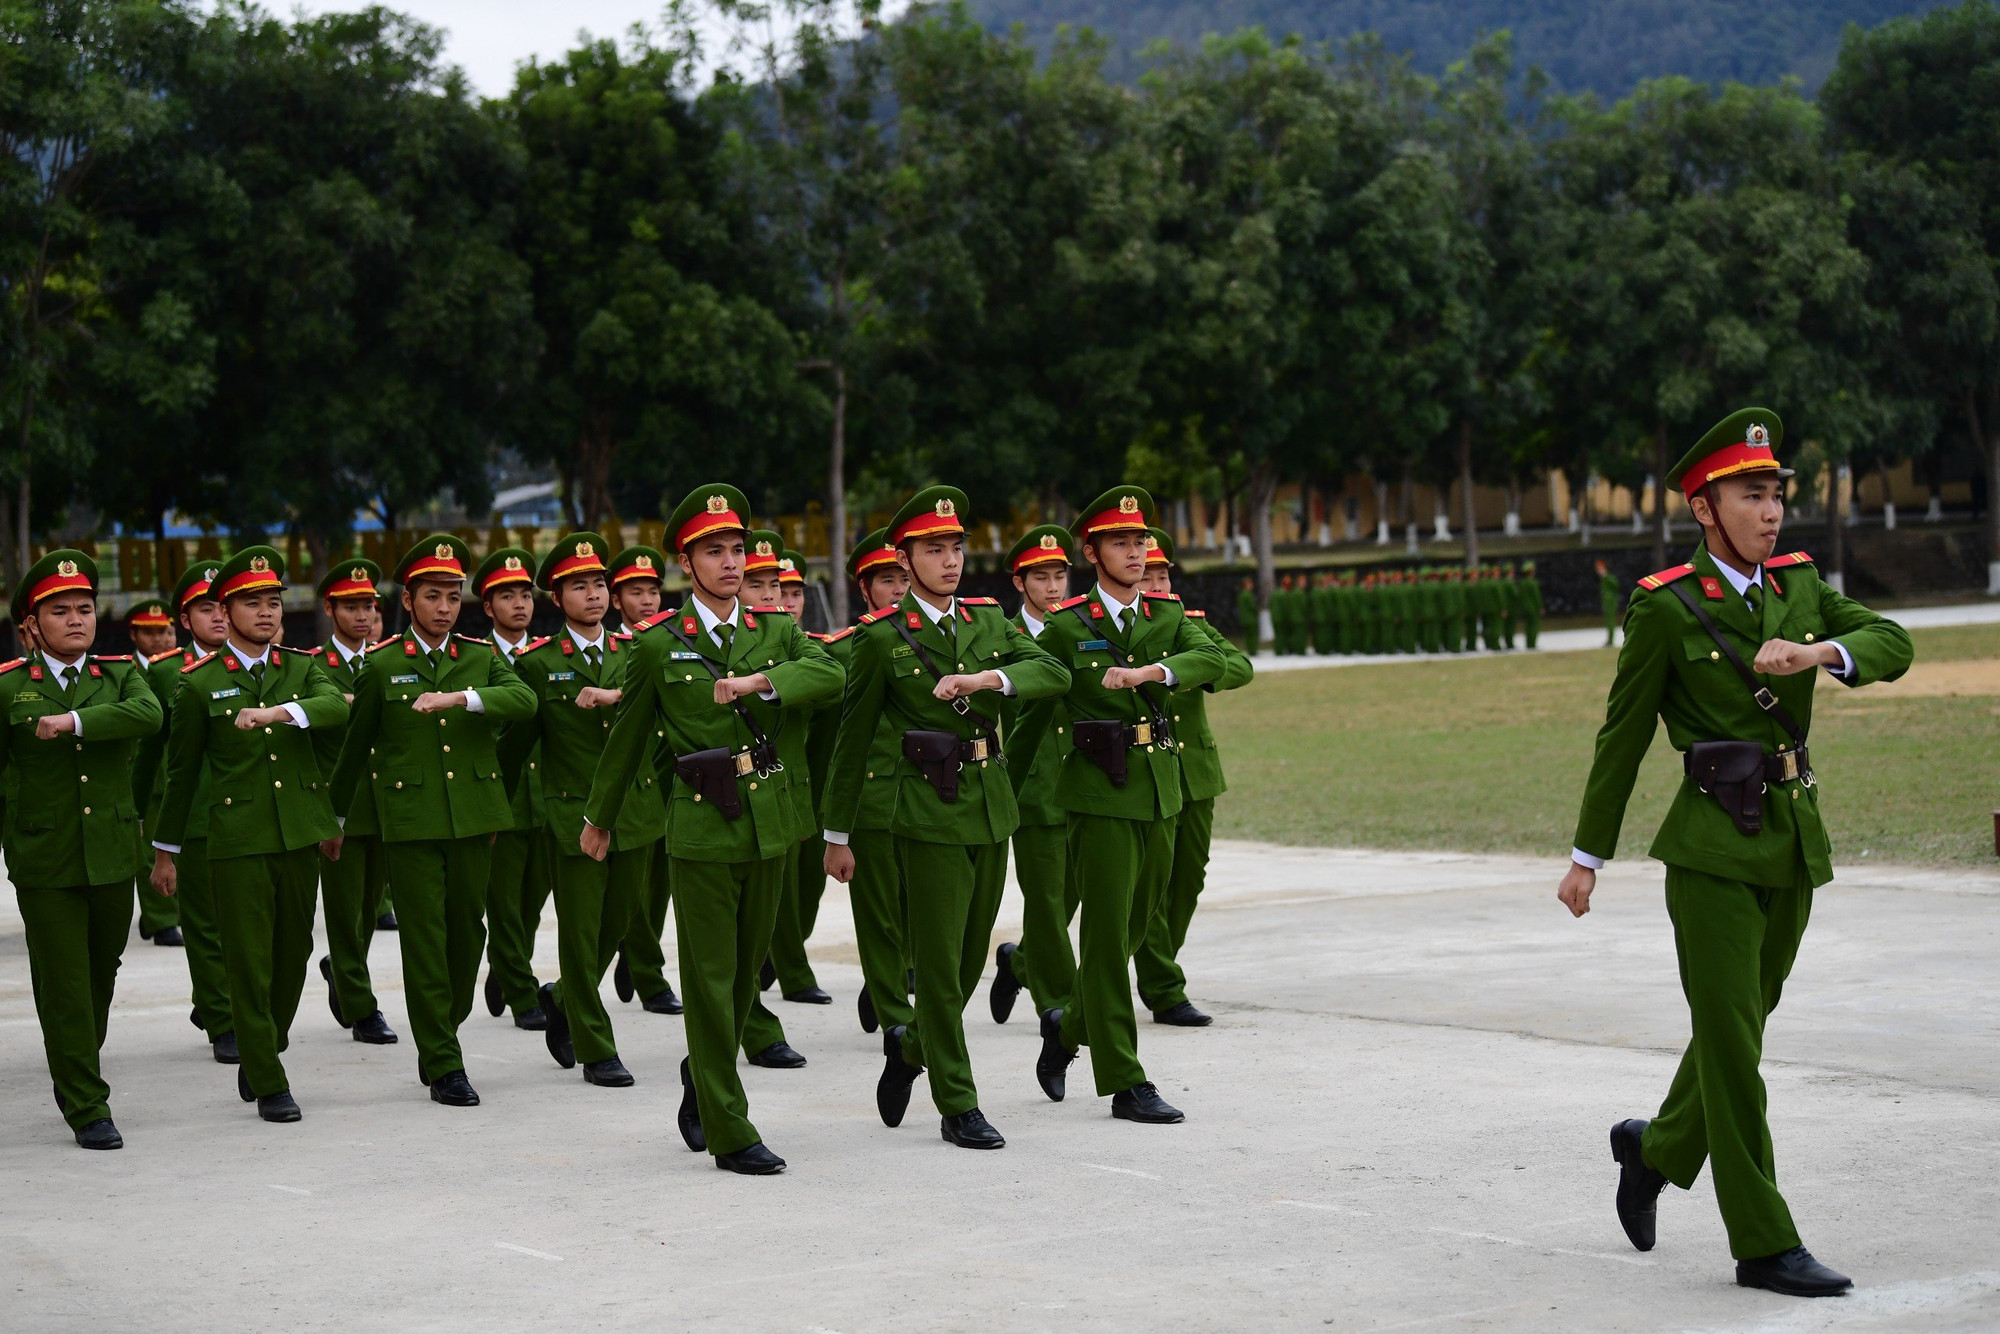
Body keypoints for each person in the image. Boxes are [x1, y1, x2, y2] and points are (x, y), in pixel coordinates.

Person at [1557, 407, 1913, 1298]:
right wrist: (1586, 858)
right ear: (1705, 508)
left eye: (1776, 494)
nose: (1772, 511)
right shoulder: (1667, 605)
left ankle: (1655, 1147)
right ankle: (1763, 1242)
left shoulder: (1799, 584)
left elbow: (1892, 643)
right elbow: (1622, 736)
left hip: (1793, 840)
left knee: (1736, 1034)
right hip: (1712, 846)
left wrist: (1820, 652)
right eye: (1751, 495)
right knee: (1735, 1052)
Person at [581, 484, 840, 1175]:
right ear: (685, 563)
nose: (731, 564)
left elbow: (829, 673)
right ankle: (731, 1129)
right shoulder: (657, 645)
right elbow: (628, 738)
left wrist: (760, 685)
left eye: (736, 550)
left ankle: (703, 1071)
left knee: (742, 978)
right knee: (709, 976)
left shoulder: (774, 630)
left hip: (771, 823)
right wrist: (599, 819)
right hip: (699, 825)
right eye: (714, 552)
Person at [822, 488, 1065, 1149]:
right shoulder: (880, 639)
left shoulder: (988, 623)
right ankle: (958, 1102)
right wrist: (838, 836)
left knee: (962, 966)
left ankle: (909, 1050)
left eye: (956, 547)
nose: (950, 560)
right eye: (934, 549)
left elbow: (1053, 675)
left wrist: (989, 682)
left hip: (990, 805)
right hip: (924, 808)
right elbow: (851, 741)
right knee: (935, 963)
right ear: (905, 559)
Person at [1017, 485, 1226, 1124]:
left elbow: (1222, 660)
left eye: (1140, 541)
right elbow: (1030, 714)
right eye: (1120, 542)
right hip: (1098, 794)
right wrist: (1004, 786)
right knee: (1107, 938)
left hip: (1162, 791)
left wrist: (1157, 674)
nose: (1135, 552)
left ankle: (1068, 1029)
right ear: (1093, 551)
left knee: (1138, 926)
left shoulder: (1169, 617)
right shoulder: (1066, 626)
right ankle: (1125, 1081)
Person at [325, 535, 537, 1108]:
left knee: (469, 936)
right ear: (409, 600)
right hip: (412, 821)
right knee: (425, 941)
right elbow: (355, 747)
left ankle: (443, 1023)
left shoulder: (481, 658)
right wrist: (335, 817)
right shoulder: (382, 664)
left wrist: (462, 699)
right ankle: (443, 1059)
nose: (444, 607)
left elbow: (525, 703)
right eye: (432, 596)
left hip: (475, 816)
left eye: (452, 596)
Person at [150, 547, 349, 1123]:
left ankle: (265, 1046)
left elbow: (335, 708)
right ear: (224, 610)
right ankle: (269, 1078)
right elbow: (181, 776)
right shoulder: (197, 683)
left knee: (294, 955)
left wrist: (278, 713)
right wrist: (165, 853)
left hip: (299, 833)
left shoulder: (301, 667)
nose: (264, 612)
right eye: (249, 603)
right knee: (248, 961)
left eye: (272, 602)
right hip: (236, 837)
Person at [4, 550, 162, 1149]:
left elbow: (148, 716)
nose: (76, 620)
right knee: (67, 979)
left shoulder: (120, 675)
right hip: (43, 857)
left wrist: (73, 724)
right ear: (31, 623)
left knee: (100, 970)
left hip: (113, 853)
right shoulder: (10, 687)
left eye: (85, 609)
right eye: (60, 611)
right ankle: (86, 1101)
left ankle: (72, 1056)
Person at [503, 533, 665, 1088]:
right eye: (579, 586)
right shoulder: (539, 664)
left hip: (637, 810)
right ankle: (596, 1047)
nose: (593, 594)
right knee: (578, 931)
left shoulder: (637, 652)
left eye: (598, 584)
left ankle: (563, 996)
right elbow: (514, 749)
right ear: (557, 597)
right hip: (572, 814)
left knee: (619, 921)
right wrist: (497, 817)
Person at [1132, 528, 1254, 1026]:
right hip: (1145, 772)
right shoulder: (1124, 630)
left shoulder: (1189, 623)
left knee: (1188, 878)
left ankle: (1025, 961)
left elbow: (1239, 666)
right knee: (1150, 882)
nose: (1159, 584)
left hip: (1196, 771)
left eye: (1164, 575)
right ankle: (1163, 985)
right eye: (1151, 575)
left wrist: (1191, 670)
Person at [134, 563, 237, 1064]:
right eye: (205, 608)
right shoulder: (166, 672)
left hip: (255, 813)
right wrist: (142, 818)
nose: (218, 617)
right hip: (196, 815)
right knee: (205, 925)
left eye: (223, 606)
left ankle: (213, 999)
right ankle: (222, 1019)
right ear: (184, 618)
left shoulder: (263, 665)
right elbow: (149, 752)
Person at [988, 524, 1079, 1026]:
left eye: (1059, 576)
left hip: (1084, 784)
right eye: (1040, 577)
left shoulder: (1080, 628)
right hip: (1032, 787)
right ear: (1019, 583)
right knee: (1045, 901)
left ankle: (1018, 962)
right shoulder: (1003, 637)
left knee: (1068, 900)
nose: (1052, 587)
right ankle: (1057, 1005)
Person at [828, 528, 916, 1039]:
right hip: (875, 796)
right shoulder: (846, 649)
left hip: (929, 794)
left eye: (905, 578)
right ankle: (895, 1020)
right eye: (887, 581)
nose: (899, 589)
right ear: (866, 590)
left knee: (916, 911)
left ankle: (889, 983)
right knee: (880, 914)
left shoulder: (939, 641)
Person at [731, 530, 811, 1069]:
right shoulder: (712, 644)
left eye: (781, 587)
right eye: (756, 584)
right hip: (726, 799)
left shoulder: (799, 644)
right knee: (739, 931)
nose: (772, 597)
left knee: (788, 916)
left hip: (790, 797)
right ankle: (753, 1026)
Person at [310, 558, 398, 1046]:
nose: (362, 615)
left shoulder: (389, 659)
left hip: (388, 803)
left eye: (368, 605)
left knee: (368, 910)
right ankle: (363, 1009)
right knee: (344, 912)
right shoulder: (312, 666)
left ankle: (342, 972)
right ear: (330, 609)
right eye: (351, 606)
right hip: (341, 807)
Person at [474, 546, 553, 1032]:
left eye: (525, 594)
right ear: (488, 607)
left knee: (532, 903)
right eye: (507, 596)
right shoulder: (473, 659)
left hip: (543, 797)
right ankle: (524, 993)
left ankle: (507, 968)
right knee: (502, 903)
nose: (520, 604)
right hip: (497, 798)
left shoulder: (545, 656)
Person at [605, 544, 683, 1018]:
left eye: (654, 590)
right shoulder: (614, 650)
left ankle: (635, 956)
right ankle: (648, 972)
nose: (648, 600)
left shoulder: (674, 640)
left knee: (660, 888)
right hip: (634, 782)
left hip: (674, 778)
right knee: (631, 886)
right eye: (636, 592)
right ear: (618, 601)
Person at [766, 543, 836, 1008]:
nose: (787, 601)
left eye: (793, 591)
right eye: (774, 589)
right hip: (769, 784)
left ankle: (782, 953)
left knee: (809, 889)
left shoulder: (821, 653)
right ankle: (789, 966)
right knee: (780, 888)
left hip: (813, 789)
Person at [124, 597, 182, 946]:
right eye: (150, 632)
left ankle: (171, 913)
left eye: (166, 630)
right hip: (145, 773)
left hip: (179, 772)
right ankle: (162, 920)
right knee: (150, 851)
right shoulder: (125, 671)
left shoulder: (184, 668)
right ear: (133, 634)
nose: (160, 638)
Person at [1519, 560, 1544, 649]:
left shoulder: (1522, 583)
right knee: (1534, 626)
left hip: (1525, 608)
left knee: (1528, 627)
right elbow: (1536, 597)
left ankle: (1528, 644)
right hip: (1533, 608)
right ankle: (1532, 644)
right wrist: (1540, 607)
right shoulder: (1533, 583)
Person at [1599, 558, 1623, 646]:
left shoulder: (1609, 577)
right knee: (1608, 622)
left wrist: (1606, 576)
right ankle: (1609, 640)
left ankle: (1611, 640)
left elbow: (1616, 585)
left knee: (1611, 622)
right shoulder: (1603, 579)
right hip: (1607, 603)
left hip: (1611, 603)